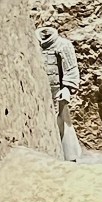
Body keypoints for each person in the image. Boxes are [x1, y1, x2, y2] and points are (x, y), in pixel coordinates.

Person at [36, 26, 81, 162]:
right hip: (36, 95)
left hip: (57, 95)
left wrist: (66, 89)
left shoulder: (63, 45)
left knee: (62, 126)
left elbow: (71, 70)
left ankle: (69, 157)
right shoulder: (32, 45)